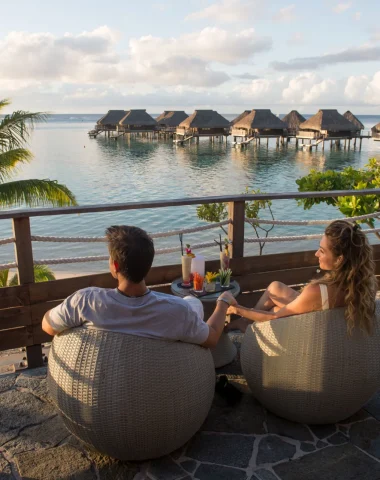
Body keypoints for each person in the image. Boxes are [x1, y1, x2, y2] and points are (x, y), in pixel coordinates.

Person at [42, 225, 233, 348]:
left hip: (102, 388)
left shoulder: (86, 301)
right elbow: (212, 338)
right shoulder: (176, 311)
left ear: (115, 266)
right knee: (193, 303)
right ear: (149, 264)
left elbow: (48, 326)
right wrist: (223, 302)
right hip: (156, 386)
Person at [224, 220, 377, 334]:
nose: (316, 254)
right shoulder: (363, 284)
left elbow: (274, 318)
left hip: (306, 333)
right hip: (324, 320)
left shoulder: (318, 290)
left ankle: (243, 322)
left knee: (275, 308)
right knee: (275, 287)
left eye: (322, 251)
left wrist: (238, 309)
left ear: (339, 259)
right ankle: (244, 322)